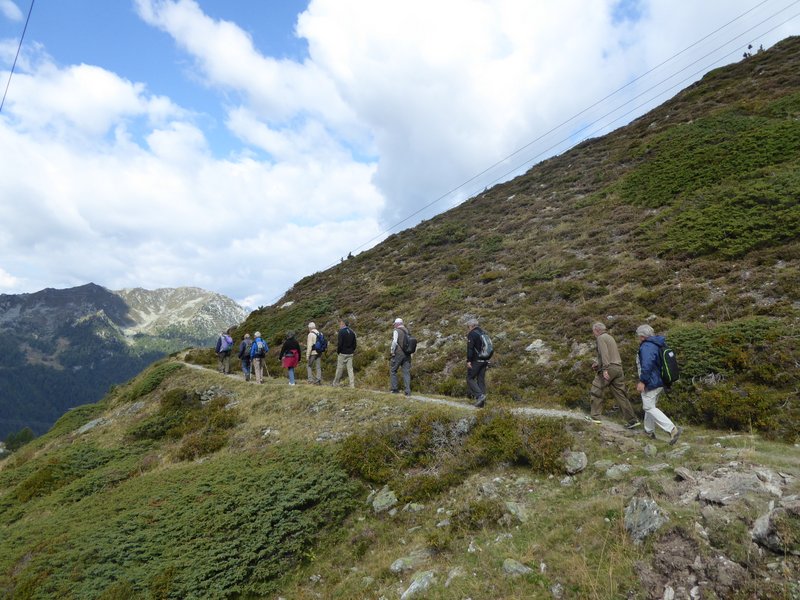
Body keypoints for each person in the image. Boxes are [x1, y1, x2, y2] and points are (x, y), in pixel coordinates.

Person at [586, 322, 641, 429]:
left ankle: (595, 417)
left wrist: (605, 369)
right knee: (621, 395)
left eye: (593, 332)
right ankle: (632, 420)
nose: (593, 334)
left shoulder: (601, 338)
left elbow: (605, 354)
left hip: (609, 368)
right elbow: (611, 354)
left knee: (596, 390)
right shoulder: (610, 337)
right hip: (618, 369)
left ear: (597, 330)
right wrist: (598, 364)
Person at [636, 324, 682, 445]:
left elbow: (647, 365)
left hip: (651, 381)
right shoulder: (658, 343)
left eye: (639, 336)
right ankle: (649, 431)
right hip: (660, 380)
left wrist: (642, 381)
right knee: (650, 406)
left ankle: (672, 429)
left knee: (648, 407)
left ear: (642, 336)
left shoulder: (647, 346)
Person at [466, 318, 490, 407]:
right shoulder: (483, 333)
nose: (468, 328)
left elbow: (470, 348)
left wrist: (469, 360)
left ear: (471, 326)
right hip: (485, 359)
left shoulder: (472, 333)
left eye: (468, 326)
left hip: (476, 360)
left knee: (470, 378)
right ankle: (482, 403)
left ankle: (480, 396)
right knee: (480, 379)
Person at [390, 317, 412, 396]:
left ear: (397, 324)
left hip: (398, 353)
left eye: (394, 324)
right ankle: (407, 391)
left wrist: (392, 351)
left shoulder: (396, 331)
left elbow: (394, 342)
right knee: (406, 372)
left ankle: (395, 389)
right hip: (407, 354)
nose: (394, 325)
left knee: (393, 370)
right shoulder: (407, 330)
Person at [332, 319, 357, 388]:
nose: (339, 325)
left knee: (339, 368)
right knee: (350, 369)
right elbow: (355, 344)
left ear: (343, 324)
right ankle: (352, 384)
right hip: (350, 353)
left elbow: (340, 343)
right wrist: (352, 350)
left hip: (342, 353)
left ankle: (335, 383)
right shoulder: (352, 332)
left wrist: (338, 351)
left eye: (340, 324)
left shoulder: (341, 332)